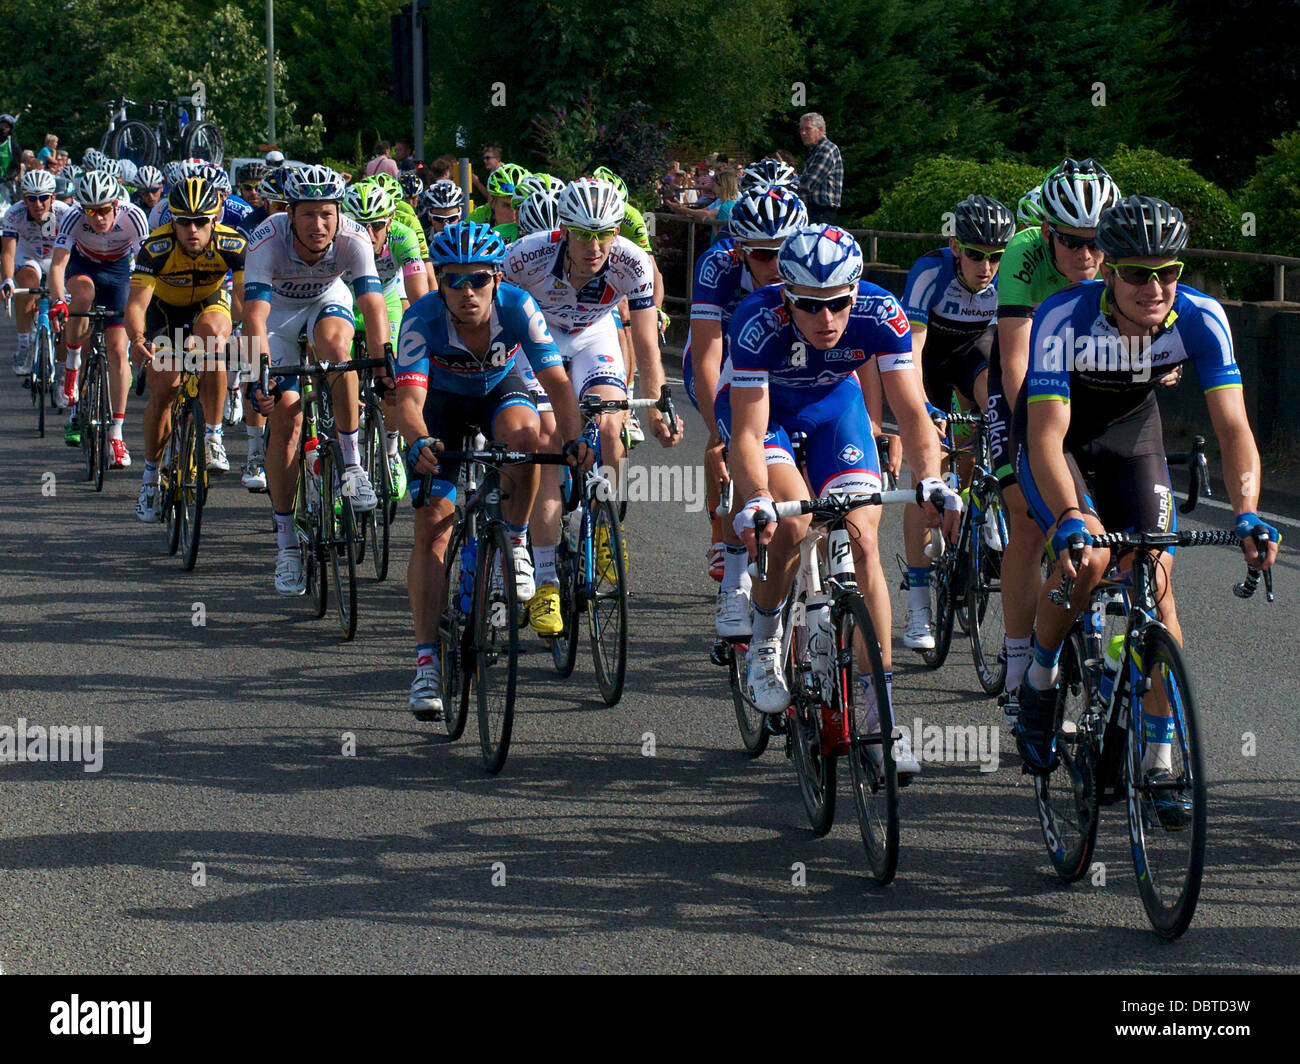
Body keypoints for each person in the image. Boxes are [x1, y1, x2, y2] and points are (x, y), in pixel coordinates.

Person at [1011, 196, 1280, 818]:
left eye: (1168, 271)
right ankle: (1041, 676)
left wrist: (1246, 511)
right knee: (1086, 563)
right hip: (1060, 440)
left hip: (1134, 437)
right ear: (1107, 268)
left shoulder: (1201, 317)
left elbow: (1235, 427)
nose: (1154, 287)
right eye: (1136, 272)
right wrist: (1072, 516)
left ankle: (1159, 763)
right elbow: (1047, 436)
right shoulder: (1063, 317)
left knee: (1157, 585)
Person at [726, 224, 961, 779]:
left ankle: (879, 717)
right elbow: (747, 430)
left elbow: (912, 410)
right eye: (809, 306)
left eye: (837, 305)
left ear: (856, 293)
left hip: (836, 410)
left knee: (862, 542)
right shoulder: (757, 321)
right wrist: (756, 496)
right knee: (791, 521)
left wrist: (931, 478)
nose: (826, 320)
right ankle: (764, 637)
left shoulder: (883, 314)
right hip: (769, 417)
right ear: (787, 295)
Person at [390, 220, 591, 716]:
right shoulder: (420, 318)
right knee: (433, 527)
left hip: (498, 391)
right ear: (439, 282)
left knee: (526, 438)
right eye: (454, 279)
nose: (466, 291)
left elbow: (557, 383)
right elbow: (409, 401)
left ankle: (517, 542)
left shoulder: (519, 307)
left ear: (496, 280)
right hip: (441, 407)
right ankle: (426, 662)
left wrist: (572, 439)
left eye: (477, 278)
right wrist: (419, 441)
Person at [992, 158, 1120, 715]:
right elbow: (1015, 364)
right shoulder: (1021, 254)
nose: (1088, 257)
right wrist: (1041, 440)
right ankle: (1019, 661)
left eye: (1098, 243)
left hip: (1089, 389)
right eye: (1072, 242)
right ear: (1047, 232)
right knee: (1024, 514)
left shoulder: (1119, 259)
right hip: (1029, 390)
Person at [243, 165, 390, 594]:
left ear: (338, 213)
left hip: (327, 299)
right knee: (286, 421)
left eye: (327, 213)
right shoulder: (267, 240)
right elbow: (254, 316)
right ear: (290, 213)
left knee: (338, 353)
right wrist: (260, 377)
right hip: (278, 318)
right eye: (307, 214)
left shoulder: (353, 237)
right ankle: (287, 542)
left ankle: (352, 463)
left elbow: (373, 305)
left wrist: (382, 365)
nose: (318, 224)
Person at [897, 194, 1015, 649]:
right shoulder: (931, 272)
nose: (986, 267)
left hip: (973, 356)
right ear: (954, 246)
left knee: (999, 404)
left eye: (995, 257)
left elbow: (1011, 351)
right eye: (976, 255)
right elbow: (912, 353)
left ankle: (982, 503)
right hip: (927, 361)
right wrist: (925, 411)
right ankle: (920, 604)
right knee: (928, 470)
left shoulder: (1007, 277)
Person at [126, 176, 247, 518]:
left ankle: (212, 435)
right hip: (164, 313)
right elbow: (136, 304)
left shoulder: (233, 245)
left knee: (213, 338)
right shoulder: (156, 248)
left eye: (200, 221)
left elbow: (244, 302)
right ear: (173, 221)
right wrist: (137, 339)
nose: (192, 230)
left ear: (216, 218)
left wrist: (246, 332)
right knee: (165, 389)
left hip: (208, 304)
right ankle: (150, 477)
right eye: (183, 222)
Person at [48, 170, 151, 458]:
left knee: (119, 351)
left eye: (104, 209)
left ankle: (116, 434)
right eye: (90, 210)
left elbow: (148, 268)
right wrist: (58, 301)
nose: (98, 217)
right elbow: (57, 267)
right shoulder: (72, 217)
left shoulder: (134, 217)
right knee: (82, 295)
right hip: (84, 268)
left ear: (116, 205)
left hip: (118, 273)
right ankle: (72, 363)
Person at [1, 169, 74, 375]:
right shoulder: (14, 214)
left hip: (56, 258)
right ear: (24, 199)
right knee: (28, 283)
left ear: (52, 197)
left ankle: (61, 363)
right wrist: (7, 280)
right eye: (32, 198)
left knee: (62, 301)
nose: (38, 204)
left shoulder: (64, 213)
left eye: (43, 198)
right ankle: (24, 346)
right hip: (29, 255)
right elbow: (7, 251)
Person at [797, 113, 843, 224]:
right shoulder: (815, 151)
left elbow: (807, 183)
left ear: (820, 130)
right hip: (816, 212)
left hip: (820, 213)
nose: (803, 133)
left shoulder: (826, 149)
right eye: (801, 129)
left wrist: (785, 180)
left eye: (807, 129)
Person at [0, 115, 22, 181]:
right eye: (1, 125)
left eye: (6, 127)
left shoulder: (13, 145)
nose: (3, 128)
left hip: (5, 184)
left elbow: (16, 167)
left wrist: (6, 177)